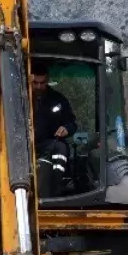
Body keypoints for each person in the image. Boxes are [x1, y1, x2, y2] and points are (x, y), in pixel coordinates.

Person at [31, 59, 77, 196]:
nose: (39, 87)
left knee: (61, 148)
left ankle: (55, 187)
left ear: (47, 80)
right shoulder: (20, 98)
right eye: (35, 83)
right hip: (23, 143)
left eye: (42, 83)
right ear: (29, 80)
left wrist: (66, 129)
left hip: (49, 143)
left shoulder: (58, 100)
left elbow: (72, 123)